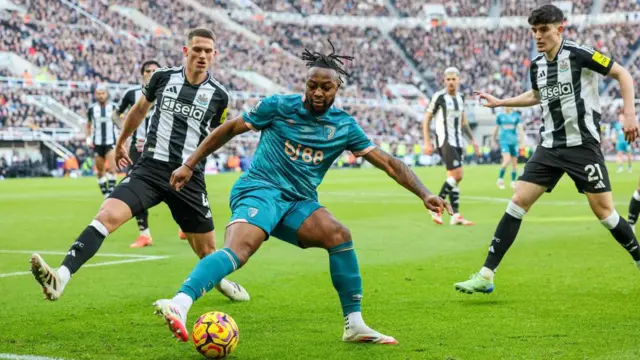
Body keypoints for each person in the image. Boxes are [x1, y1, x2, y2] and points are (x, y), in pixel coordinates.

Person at [151, 42, 451, 345]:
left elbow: (389, 162)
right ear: (305, 84)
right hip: (260, 190)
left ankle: (355, 325)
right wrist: (190, 163)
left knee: (339, 236)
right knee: (240, 250)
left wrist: (424, 193)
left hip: (298, 202)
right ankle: (180, 302)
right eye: (312, 85)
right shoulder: (278, 106)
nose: (318, 93)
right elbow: (228, 129)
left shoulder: (344, 126)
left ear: (337, 89)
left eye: (326, 87)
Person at [29, 27, 249, 303]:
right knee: (106, 216)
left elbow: (215, 137)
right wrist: (122, 140)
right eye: (197, 49)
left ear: (214, 55)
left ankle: (222, 283)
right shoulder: (162, 78)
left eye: (208, 51)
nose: (202, 56)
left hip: (189, 178)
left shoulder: (220, 96)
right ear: (186, 51)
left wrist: (192, 164)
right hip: (150, 170)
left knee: (207, 253)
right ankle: (60, 277)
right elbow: (140, 110)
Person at [455, 4, 640, 295]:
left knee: (605, 213)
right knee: (517, 201)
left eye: (543, 30)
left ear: (559, 28)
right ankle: (486, 274)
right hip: (550, 147)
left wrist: (629, 114)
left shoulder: (580, 54)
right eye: (534, 31)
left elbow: (623, 74)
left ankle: (639, 257)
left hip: (582, 147)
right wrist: (500, 102)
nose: (538, 36)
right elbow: (535, 96)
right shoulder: (537, 65)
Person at [423, 67, 478, 226]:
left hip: (458, 141)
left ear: (458, 80)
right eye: (448, 80)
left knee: (452, 178)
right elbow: (426, 118)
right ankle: (434, 207)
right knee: (458, 175)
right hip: (445, 141)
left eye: (454, 79)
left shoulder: (461, 97)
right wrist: (427, 142)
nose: (451, 82)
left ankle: (456, 215)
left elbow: (464, 122)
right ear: (444, 81)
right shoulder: (439, 97)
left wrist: (473, 140)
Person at [114, 60, 160, 248]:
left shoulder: (170, 93)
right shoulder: (132, 94)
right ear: (142, 74)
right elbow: (115, 114)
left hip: (164, 149)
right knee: (136, 188)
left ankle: (185, 225)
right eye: (147, 71)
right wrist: (125, 132)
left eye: (154, 71)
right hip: (138, 149)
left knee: (175, 187)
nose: (151, 73)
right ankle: (144, 233)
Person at [87, 85, 118, 198]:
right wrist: (88, 137)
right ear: (96, 95)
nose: (101, 96)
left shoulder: (114, 107)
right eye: (98, 94)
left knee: (111, 168)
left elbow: (120, 122)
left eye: (102, 93)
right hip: (97, 143)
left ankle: (110, 193)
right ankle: (105, 193)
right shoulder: (91, 109)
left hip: (111, 142)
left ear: (107, 94)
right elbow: (88, 125)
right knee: (100, 171)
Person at [493, 107, 524, 189]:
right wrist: (494, 139)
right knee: (506, 160)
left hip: (513, 142)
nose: (506, 106)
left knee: (514, 164)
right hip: (504, 142)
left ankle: (513, 182)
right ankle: (500, 179)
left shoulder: (516, 116)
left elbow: (520, 128)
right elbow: (496, 128)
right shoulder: (500, 116)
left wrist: (521, 140)